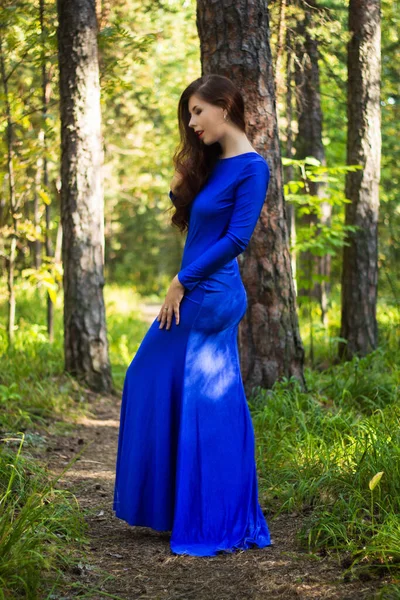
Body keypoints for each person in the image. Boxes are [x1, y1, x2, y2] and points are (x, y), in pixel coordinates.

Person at [113, 74, 272, 557]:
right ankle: (181, 508)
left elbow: (236, 239)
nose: (191, 121)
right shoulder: (216, 163)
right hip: (200, 290)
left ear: (224, 107)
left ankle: (209, 515)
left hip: (209, 295)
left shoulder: (252, 168)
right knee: (176, 387)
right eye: (189, 113)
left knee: (192, 392)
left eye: (198, 111)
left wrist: (181, 281)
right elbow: (202, 226)